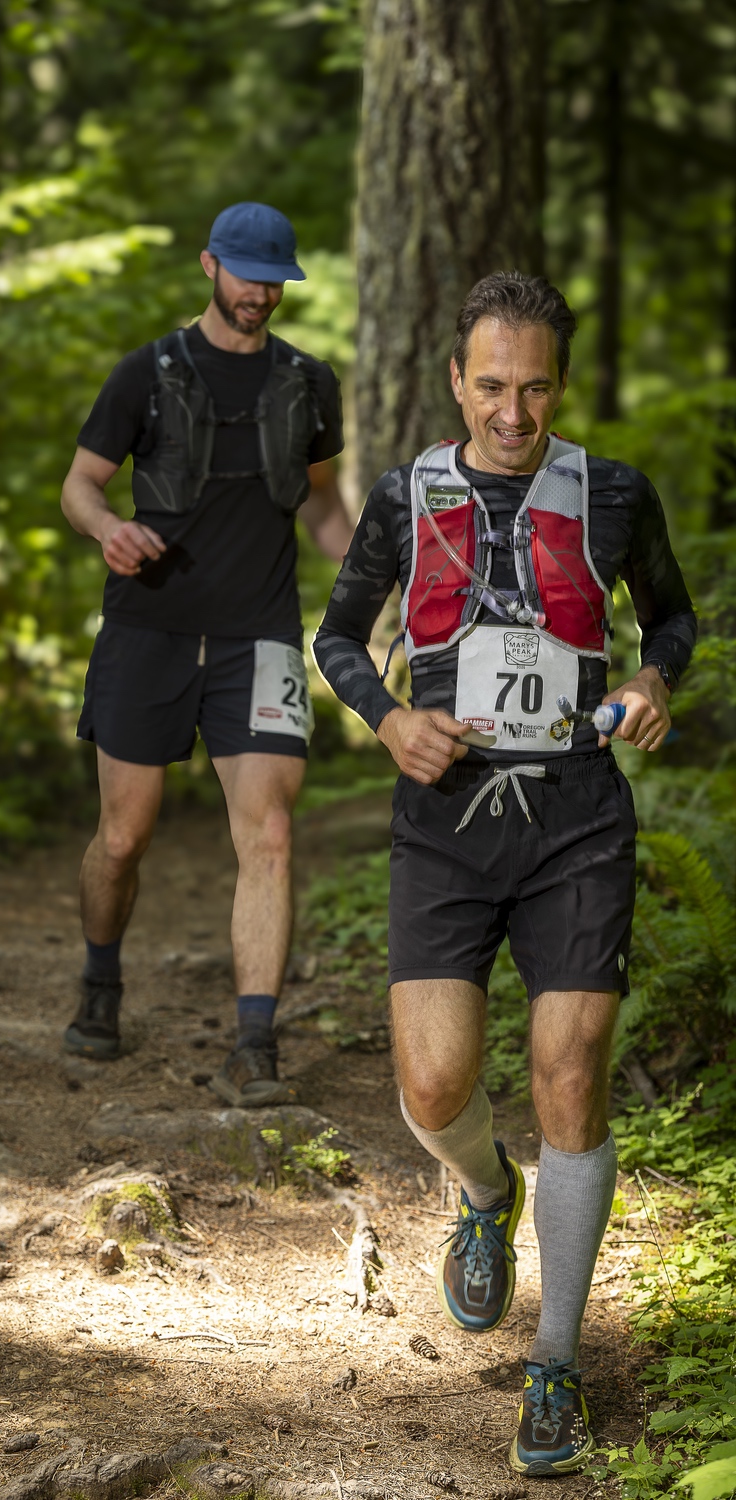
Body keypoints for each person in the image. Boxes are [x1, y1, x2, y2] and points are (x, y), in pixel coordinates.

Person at [314, 271, 696, 1475]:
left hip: (577, 816)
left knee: (568, 1071)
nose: (512, 411)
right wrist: (383, 717)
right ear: (455, 381)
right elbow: (334, 634)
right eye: (491, 386)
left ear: (560, 384)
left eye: (534, 387)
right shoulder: (403, 494)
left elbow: (671, 620)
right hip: (442, 816)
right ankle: (485, 1196)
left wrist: (648, 682)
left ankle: (556, 1367)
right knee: (432, 1090)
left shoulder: (614, 493)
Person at [60, 201, 353, 1107]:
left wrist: (383, 577)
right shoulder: (145, 374)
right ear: (209, 266)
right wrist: (108, 529)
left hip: (258, 636)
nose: (261, 294)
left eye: (275, 279)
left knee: (268, 835)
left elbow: (323, 506)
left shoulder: (308, 384)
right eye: (247, 275)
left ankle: (255, 1045)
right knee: (122, 837)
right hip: (147, 630)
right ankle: (101, 981)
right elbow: (80, 484)